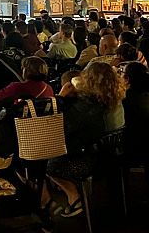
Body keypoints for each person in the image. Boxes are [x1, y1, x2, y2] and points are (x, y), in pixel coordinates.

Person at [47, 60, 125, 217]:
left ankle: (73, 198)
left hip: (89, 161)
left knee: (46, 163)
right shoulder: (115, 100)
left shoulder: (87, 106)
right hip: (112, 157)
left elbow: (60, 128)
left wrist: (60, 98)